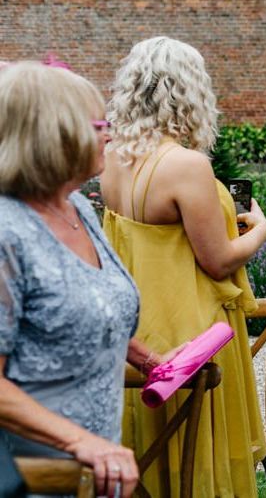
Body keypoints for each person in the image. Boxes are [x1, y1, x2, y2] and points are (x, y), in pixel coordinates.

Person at [100, 36, 266, 498]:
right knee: (200, 453)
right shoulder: (186, 165)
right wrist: (258, 230)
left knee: (151, 450)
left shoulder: (113, 156)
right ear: (191, 91)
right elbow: (216, 262)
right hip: (191, 330)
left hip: (138, 328)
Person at [0, 62, 160, 498]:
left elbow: (83, 305)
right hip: (30, 474)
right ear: (52, 132)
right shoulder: (6, 232)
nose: (109, 134)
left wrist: (149, 361)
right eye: (98, 123)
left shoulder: (78, 210)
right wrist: (80, 442)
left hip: (95, 471)